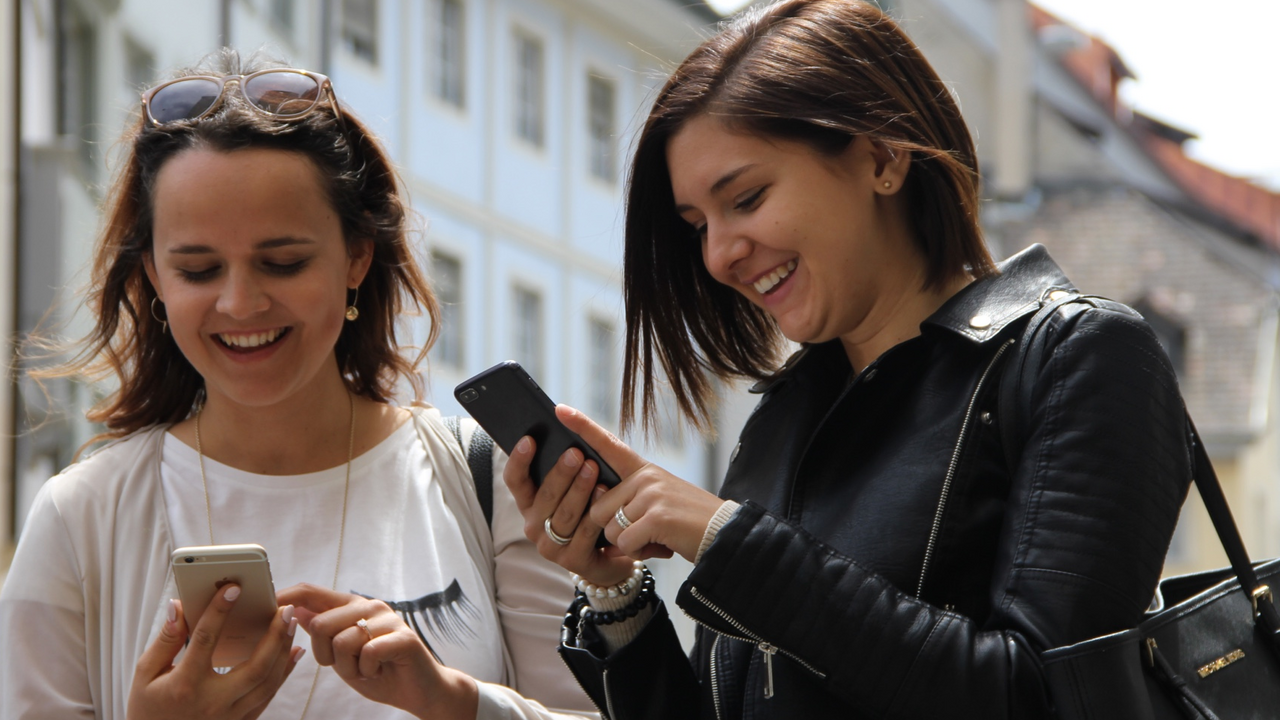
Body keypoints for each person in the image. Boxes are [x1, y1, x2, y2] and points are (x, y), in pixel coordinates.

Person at [500, 1, 1193, 718]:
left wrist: (726, 541)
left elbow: (1043, 698)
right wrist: (616, 594)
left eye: (747, 197)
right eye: (698, 226)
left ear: (883, 157)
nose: (719, 254)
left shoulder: (1080, 358)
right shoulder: (778, 427)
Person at [0, 51, 596, 720]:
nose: (241, 302)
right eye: (197, 270)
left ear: (357, 256)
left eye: (282, 262)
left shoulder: (489, 484)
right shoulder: (78, 519)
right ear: (154, 281)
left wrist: (454, 701)